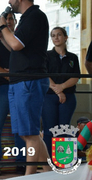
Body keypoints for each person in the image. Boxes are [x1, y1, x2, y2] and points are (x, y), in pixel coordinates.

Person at [0, 0, 51, 175]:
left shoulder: (34, 16)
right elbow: (14, 47)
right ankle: (47, 172)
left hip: (29, 80)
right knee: (30, 134)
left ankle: (29, 176)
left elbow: (17, 45)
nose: (9, 1)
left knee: (30, 134)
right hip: (21, 81)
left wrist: (4, 26)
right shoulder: (28, 18)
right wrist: (2, 36)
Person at [0, 11, 25, 175]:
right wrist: (6, 74)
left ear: (15, 22)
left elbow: (27, 60)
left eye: (11, 19)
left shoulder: (20, 39)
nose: (8, 21)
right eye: (6, 19)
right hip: (0, 87)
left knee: (20, 128)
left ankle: (22, 163)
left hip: (20, 86)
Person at [42, 27, 80, 156]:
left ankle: (63, 160)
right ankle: (49, 162)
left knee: (65, 129)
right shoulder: (46, 55)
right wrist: (58, 91)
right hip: (49, 97)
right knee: (49, 130)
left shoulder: (73, 57)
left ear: (66, 37)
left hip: (68, 97)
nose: (56, 37)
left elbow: (76, 76)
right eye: (53, 35)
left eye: (59, 35)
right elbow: (44, 74)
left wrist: (62, 87)